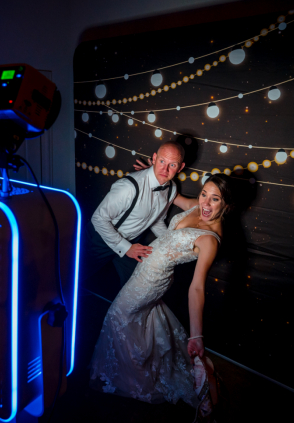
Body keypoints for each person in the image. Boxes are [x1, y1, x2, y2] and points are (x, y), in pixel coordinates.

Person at [89, 174, 232, 421]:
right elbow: (173, 195)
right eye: (204, 194)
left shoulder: (210, 240)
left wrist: (197, 336)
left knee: (117, 316)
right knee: (141, 319)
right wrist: (152, 174)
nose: (206, 203)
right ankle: (149, 364)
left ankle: (137, 378)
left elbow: (197, 288)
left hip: (153, 279)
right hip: (146, 267)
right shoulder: (199, 207)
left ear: (226, 205)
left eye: (215, 199)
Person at [86, 141, 186, 287]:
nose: (165, 169)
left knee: (138, 284)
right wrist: (126, 248)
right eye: (162, 161)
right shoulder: (129, 187)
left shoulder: (171, 189)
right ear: (154, 158)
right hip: (99, 240)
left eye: (172, 164)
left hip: (131, 242)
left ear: (180, 167)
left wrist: (170, 243)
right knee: (76, 277)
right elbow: (98, 219)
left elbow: (156, 220)